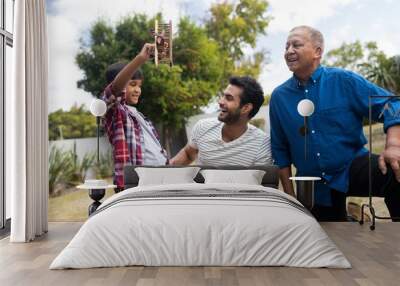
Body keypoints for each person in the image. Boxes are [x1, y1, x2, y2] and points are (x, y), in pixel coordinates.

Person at [269, 25, 400, 221]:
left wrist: (394, 145)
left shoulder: (344, 80)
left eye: (296, 45)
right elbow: (280, 150)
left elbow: (392, 104)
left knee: (396, 172)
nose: (289, 51)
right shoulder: (279, 97)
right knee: (330, 239)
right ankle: (353, 218)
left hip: (352, 165)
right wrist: (290, 196)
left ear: (317, 52)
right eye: (286, 46)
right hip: (312, 183)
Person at [102, 43, 168, 192]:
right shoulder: (115, 111)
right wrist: (140, 58)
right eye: (132, 84)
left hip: (160, 180)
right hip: (135, 184)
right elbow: (115, 89)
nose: (138, 90)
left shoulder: (141, 117)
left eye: (139, 85)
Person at [170, 76, 272, 166]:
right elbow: (188, 154)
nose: (220, 102)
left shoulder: (261, 145)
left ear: (245, 108)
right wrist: (164, 171)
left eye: (229, 98)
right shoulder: (203, 127)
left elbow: (259, 185)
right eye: (223, 96)